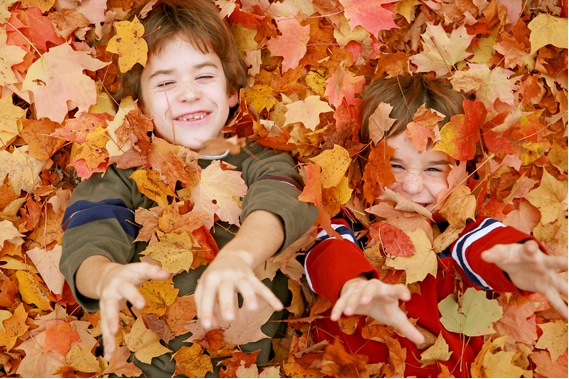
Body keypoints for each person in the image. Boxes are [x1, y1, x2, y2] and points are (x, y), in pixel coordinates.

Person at [59, 0, 317, 376]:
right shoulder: (121, 177)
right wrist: (104, 276)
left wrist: (241, 253)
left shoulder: (254, 155)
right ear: (142, 105)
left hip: (262, 367)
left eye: (204, 76)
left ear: (231, 92)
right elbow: (90, 237)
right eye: (165, 82)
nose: (188, 93)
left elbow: (281, 196)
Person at [304, 75, 568, 377]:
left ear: (465, 171)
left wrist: (515, 259)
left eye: (433, 169)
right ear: (366, 164)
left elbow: (486, 247)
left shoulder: (458, 239)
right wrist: (353, 283)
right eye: (395, 166)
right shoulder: (347, 227)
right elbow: (326, 253)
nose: (413, 187)